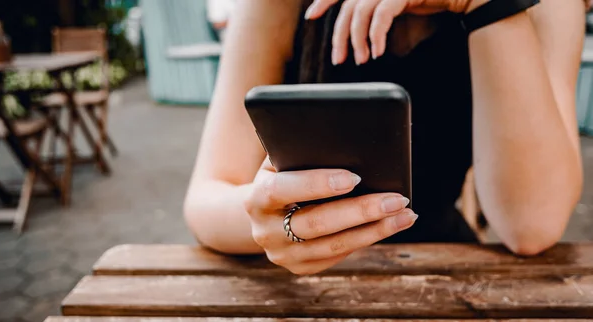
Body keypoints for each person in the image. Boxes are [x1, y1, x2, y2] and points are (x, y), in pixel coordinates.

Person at [185, 0, 586, 275]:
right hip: (300, 282)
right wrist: (275, 221)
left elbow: (531, 225)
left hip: (441, 268)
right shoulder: (280, 6)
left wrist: (482, 6)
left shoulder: (546, 7)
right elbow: (207, 199)